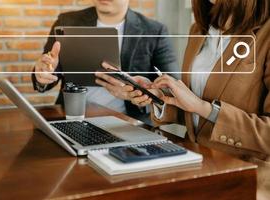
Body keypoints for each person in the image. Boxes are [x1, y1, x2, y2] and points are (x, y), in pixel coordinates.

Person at [103, 0, 269, 199]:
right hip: (197, 165)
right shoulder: (199, 30)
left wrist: (203, 107)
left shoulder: (265, 34)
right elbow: (193, 108)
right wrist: (157, 97)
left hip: (247, 178)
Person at [32, 0, 178, 123]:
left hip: (128, 123)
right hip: (72, 118)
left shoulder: (154, 31)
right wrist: (43, 74)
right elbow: (50, 69)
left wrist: (139, 92)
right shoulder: (66, 21)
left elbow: (171, 87)